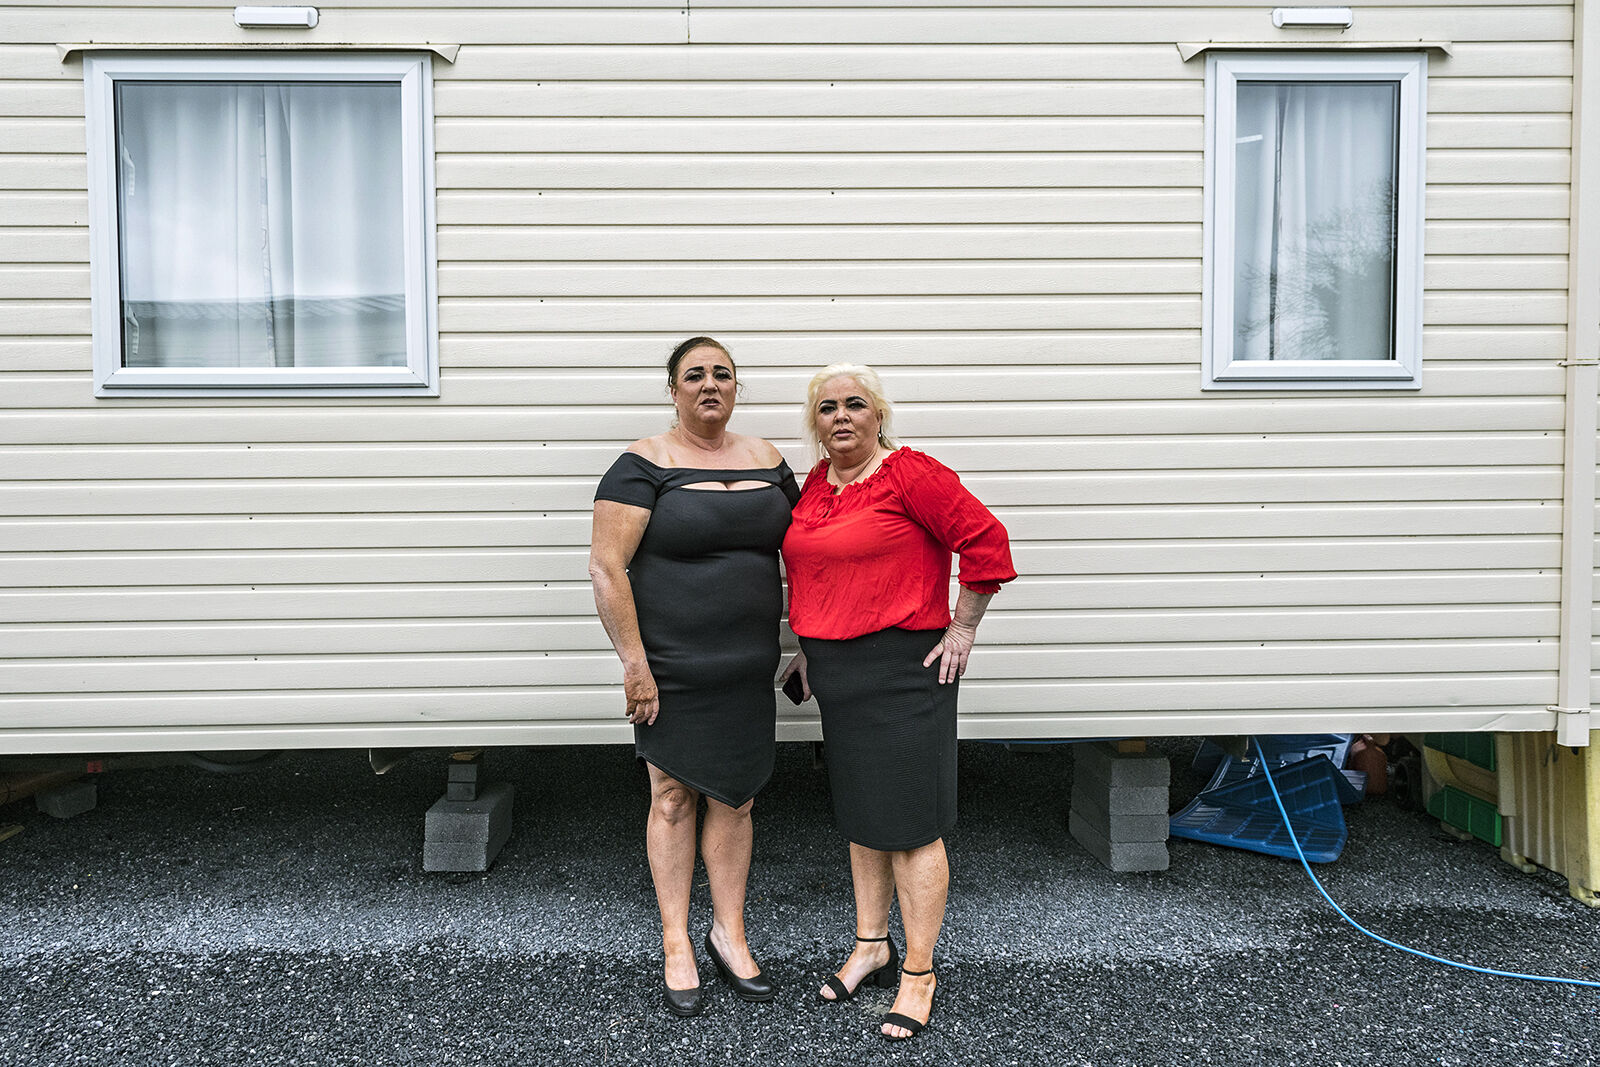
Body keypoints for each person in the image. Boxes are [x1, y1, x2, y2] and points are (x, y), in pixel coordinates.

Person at [779, 363, 1015, 1041]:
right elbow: (824, 572)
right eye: (827, 408)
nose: (841, 416)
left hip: (905, 670)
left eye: (855, 404)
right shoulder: (818, 485)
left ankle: (918, 970)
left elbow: (986, 542)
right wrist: (811, 645)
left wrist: (963, 625)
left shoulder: (910, 473)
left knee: (912, 824)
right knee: (861, 814)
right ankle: (870, 944)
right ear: (814, 422)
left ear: (878, 413)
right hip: (839, 672)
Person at [589, 337, 800, 1018]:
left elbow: (805, 552)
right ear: (673, 389)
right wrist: (634, 664)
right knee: (674, 795)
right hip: (672, 665)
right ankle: (677, 939)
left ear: (737, 388)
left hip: (746, 665)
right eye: (694, 375)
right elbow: (606, 568)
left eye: (723, 374)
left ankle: (728, 932)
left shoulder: (770, 459)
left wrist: (805, 642)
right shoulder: (641, 464)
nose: (710, 384)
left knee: (737, 797)